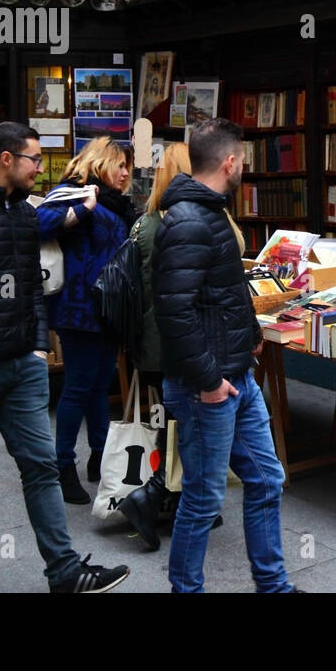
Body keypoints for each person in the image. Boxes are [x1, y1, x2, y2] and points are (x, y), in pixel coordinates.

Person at [0, 121, 129, 593]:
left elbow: (33, 285)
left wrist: (36, 345)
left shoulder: (24, 214)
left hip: (21, 366)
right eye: (34, 158)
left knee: (40, 467)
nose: (40, 167)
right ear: (7, 159)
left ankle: (65, 572)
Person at [154, 118, 295, 592]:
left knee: (265, 479)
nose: (244, 171)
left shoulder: (208, 213)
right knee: (202, 497)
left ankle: (273, 586)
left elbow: (221, 290)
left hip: (237, 374)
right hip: (209, 387)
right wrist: (210, 382)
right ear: (230, 162)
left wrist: (250, 331)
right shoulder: (191, 221)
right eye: (244, 162)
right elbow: (174, 313)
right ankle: (185, 589)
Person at [37, 135, 135, 504]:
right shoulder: (74, 193)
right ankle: (63, 466)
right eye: (120, 165)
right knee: (77, 386)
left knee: (99, 385)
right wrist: (82, 209)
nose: (126, 173)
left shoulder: (118, 204)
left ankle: (99, 456)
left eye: (128, 166)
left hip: (109, 308)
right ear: (100, 163)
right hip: (78, 309)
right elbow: (37, 225)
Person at [116, 141, 192, 549]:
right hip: (175, 344)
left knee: (172, 423)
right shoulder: (181, 224)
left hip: (150, 342)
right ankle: (154, 498)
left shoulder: (145, 223)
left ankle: (174, 501)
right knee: (183, 426)